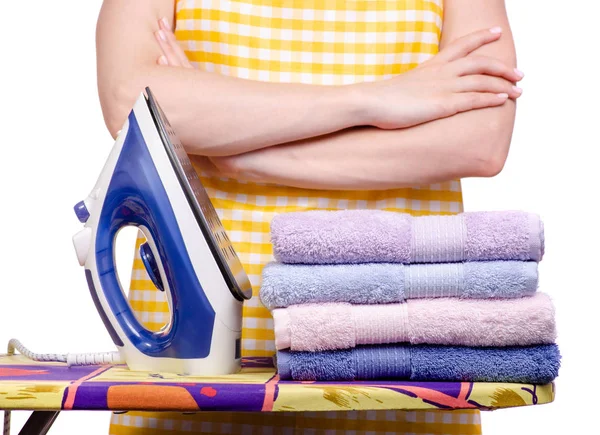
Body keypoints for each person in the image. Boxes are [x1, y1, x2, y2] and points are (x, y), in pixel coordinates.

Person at [96, 0, 521, 433]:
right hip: (191, 366)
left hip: (407, 376)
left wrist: (245, 155)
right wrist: (375, 99)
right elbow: (130, 101)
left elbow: (481, 139)